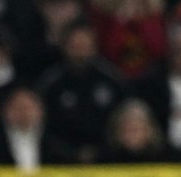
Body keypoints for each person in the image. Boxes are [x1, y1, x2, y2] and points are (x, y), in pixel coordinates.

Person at [34, 19, 124, 162]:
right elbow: (42, 124)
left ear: (94, 47)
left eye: (84, 46)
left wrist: (102, 152)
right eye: (75, 46)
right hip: (60, 161)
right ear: (64, 46)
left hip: (108, 160)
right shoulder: (51, 83)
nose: (80, 52)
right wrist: (70, 153)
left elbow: (123, 118)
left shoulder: (111, 79)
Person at [0, 84, 56, 168]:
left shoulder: (55, 145)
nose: (23, 113)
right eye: (17, 108)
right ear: (5, 111)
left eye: (28, 108)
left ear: (40, 111)